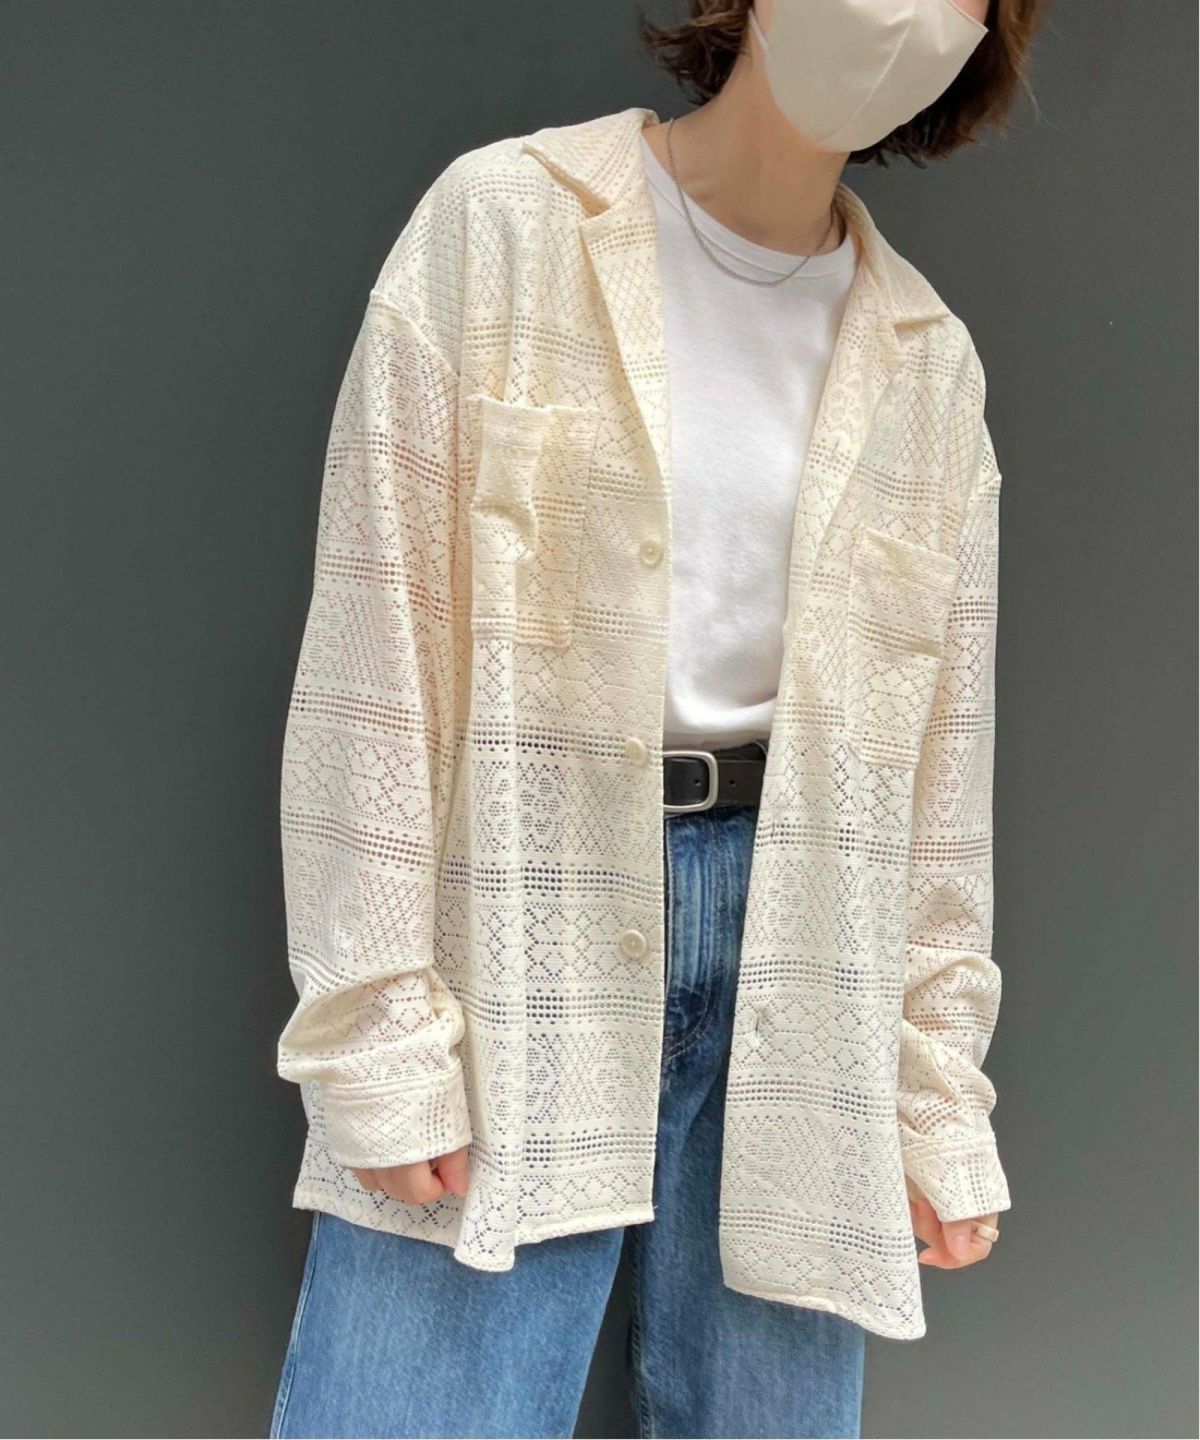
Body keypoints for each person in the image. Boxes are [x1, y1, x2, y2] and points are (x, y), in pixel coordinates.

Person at [270, 2, 1045, 1435]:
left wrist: (932, 1092)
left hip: (809, 953)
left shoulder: (928, 363)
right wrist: (375, 1030)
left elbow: (940, 771)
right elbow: (379, 645)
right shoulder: (507, 224)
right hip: (527, 907)